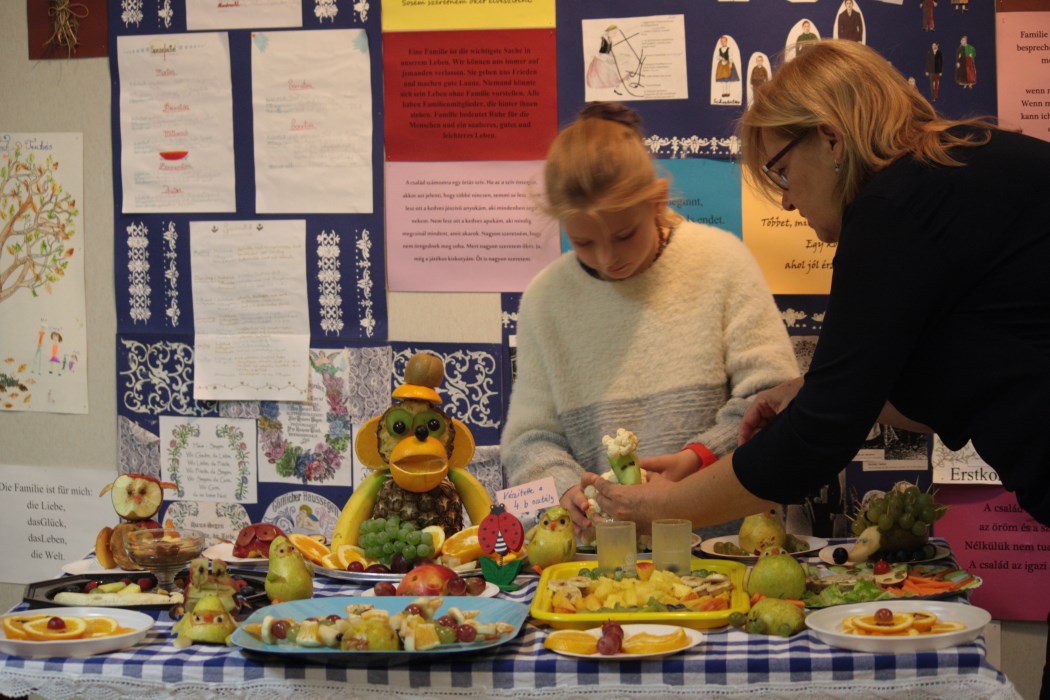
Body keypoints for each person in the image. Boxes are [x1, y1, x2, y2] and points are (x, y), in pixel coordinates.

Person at [579, 40, 1050, 697]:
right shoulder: (953, 170)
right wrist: (808, 392)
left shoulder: (892, 207)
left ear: (830, 138)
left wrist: (660, 508)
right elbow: (954, 374)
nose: (786, 202)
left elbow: (814, 443)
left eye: (780, 171)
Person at [500, 102, 800, 540]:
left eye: (624, 235)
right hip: (600, 560)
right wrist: (564, 489)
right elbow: (528, 439)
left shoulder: (721, 262)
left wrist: (699, 457)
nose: (608, 259)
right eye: (583, 242)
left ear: (657, 201)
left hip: (725, 548)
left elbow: (773, 401)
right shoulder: (545, 298)